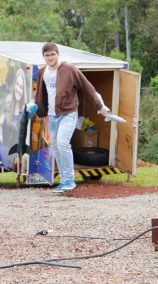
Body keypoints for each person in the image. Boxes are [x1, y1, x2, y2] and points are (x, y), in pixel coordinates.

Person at [30, 42, 108, 193]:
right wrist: (33, 102)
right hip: (51, 115)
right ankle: (65, 180)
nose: (50, 57)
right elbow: (39, 91)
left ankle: (70, 179)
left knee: (62, 143)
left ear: (58, 54)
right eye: (47, 55)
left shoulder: (69, 69)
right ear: (43, 57)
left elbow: (88, 88)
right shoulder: (42, 72)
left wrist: (100, 106)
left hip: (68, 113)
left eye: (52, 54)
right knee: (55, 148)